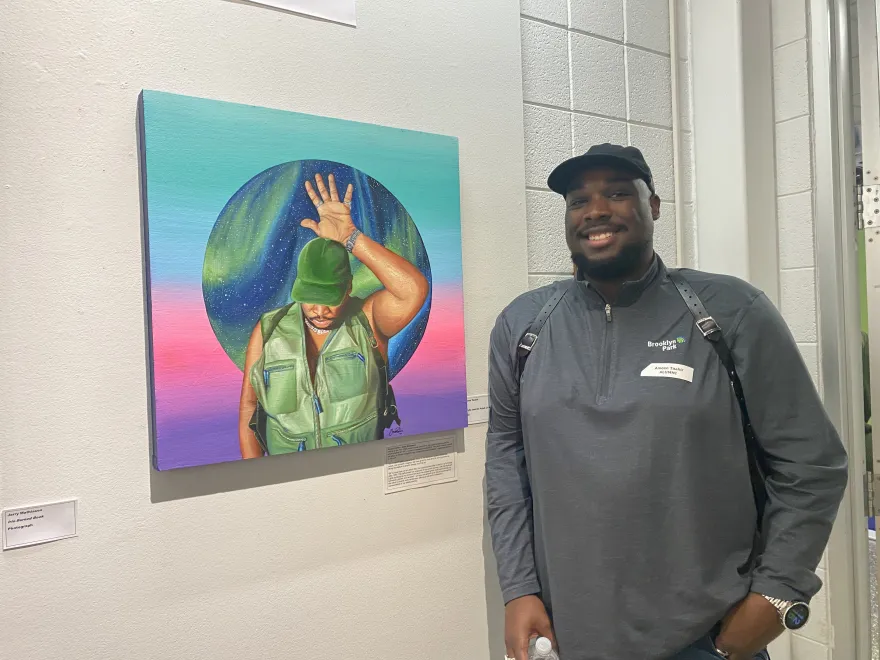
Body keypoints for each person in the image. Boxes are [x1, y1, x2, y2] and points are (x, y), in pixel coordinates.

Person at [485, 144, 849, 660]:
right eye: (577, 199)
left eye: (616, 192)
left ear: (652, 206)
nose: (596, 210)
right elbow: (506, 461)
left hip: (706, 637)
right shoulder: (523, 326)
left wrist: (778, 592)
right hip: (565, 636)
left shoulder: (728, 312)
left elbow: (811, 464)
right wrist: (518, 587)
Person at [238, 173, 429, 457]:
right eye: (309, 299)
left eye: (329, 299)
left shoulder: (368, 321)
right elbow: (249, 409)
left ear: (348, 288)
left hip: (358, 474)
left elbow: (412, 290)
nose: (319, 310)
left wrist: (350, 237)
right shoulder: (269, 329)